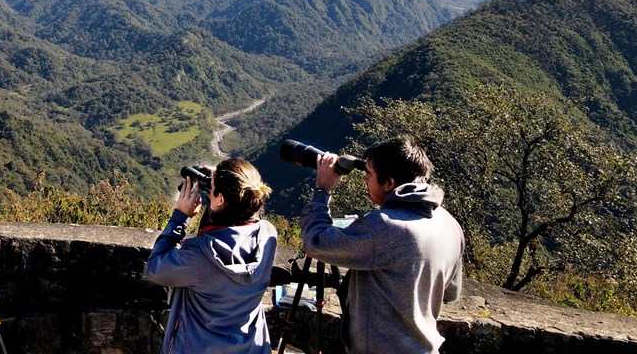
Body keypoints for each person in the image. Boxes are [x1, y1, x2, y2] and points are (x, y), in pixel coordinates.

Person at [300, 136, 464, 354]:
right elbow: (450, 292)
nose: (364, 180)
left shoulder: (385, 227)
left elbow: (316, 241)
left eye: (369, 175)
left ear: (389, 183)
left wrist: (322, 190)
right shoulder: (449, 223)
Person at [144, 158, 278, 354]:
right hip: (250, 347)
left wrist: (181, 217)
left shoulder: (197, 257)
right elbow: (243, 221)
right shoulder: (268, 235)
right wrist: (220, 189)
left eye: (213, 187)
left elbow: (155, 268)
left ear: (221, 199)